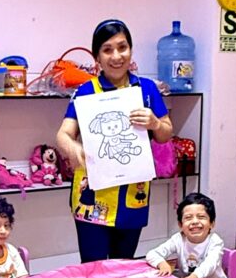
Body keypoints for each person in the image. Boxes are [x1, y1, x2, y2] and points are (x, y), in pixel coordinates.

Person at [55, 19, 173, 263]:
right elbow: (63, 134)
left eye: (122, 47)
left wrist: (155, 123)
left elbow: (166, 134)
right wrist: (73, 148)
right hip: (92, 196)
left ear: (131, 49)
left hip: (132, 195)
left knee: (123, 267)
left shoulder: (147, 89)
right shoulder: (85, 91)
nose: (116, 56)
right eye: (107, 50)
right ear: (97, 57)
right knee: (93, 267)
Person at [145, 192, 227, 278]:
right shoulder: (178, 239)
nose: (195, 222)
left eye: (201, 217)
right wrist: (162, 264)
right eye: (188, 218)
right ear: (180, 225)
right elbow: (152, 254)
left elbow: (210, 264)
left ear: (212, 223)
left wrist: (194, 277)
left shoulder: (215, 241)